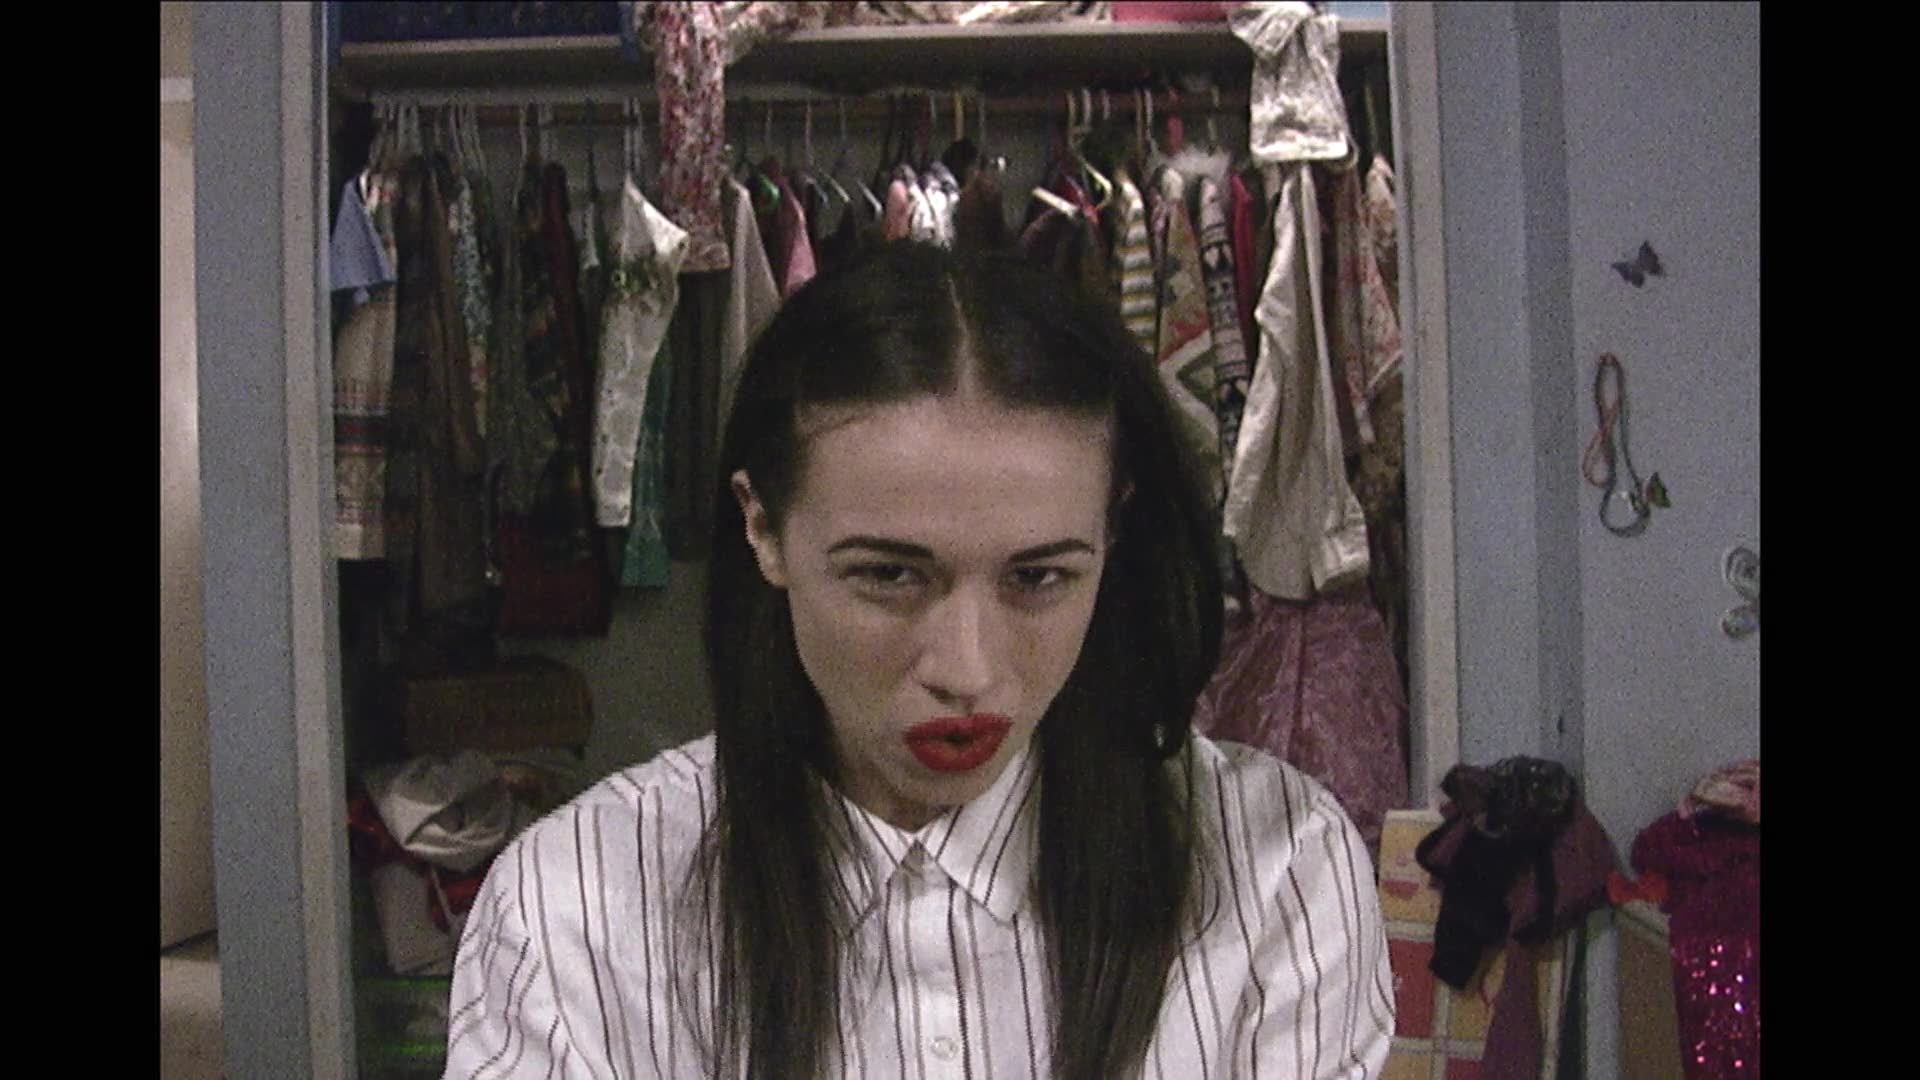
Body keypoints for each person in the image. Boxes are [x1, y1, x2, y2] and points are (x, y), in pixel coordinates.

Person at [442, 242, 1395, 1079]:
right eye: (890, 576)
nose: (967, 671)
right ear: (763, 526)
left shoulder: (1276, 871)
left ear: (1111, 532)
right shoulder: (575, 906)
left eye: (1039, 578)